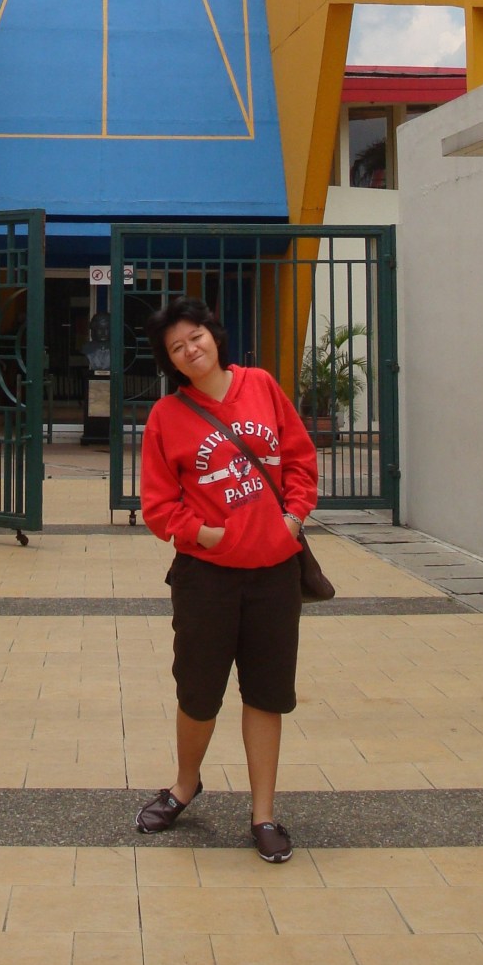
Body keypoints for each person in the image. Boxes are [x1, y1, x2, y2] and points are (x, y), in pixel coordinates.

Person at [136, 296, 318, 863]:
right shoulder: (166, 417)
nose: (190, 350)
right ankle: (184, 785)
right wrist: (205, 534)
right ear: (169, 361)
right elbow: (158, 506)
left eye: (195, 337)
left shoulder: (261, 386)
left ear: (214, 335)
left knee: (267, 693)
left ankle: (263, 814)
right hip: (206, 579)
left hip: (273, 575)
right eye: (176, 347)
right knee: (198, 692)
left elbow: (300, 459)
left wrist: (292, 517)